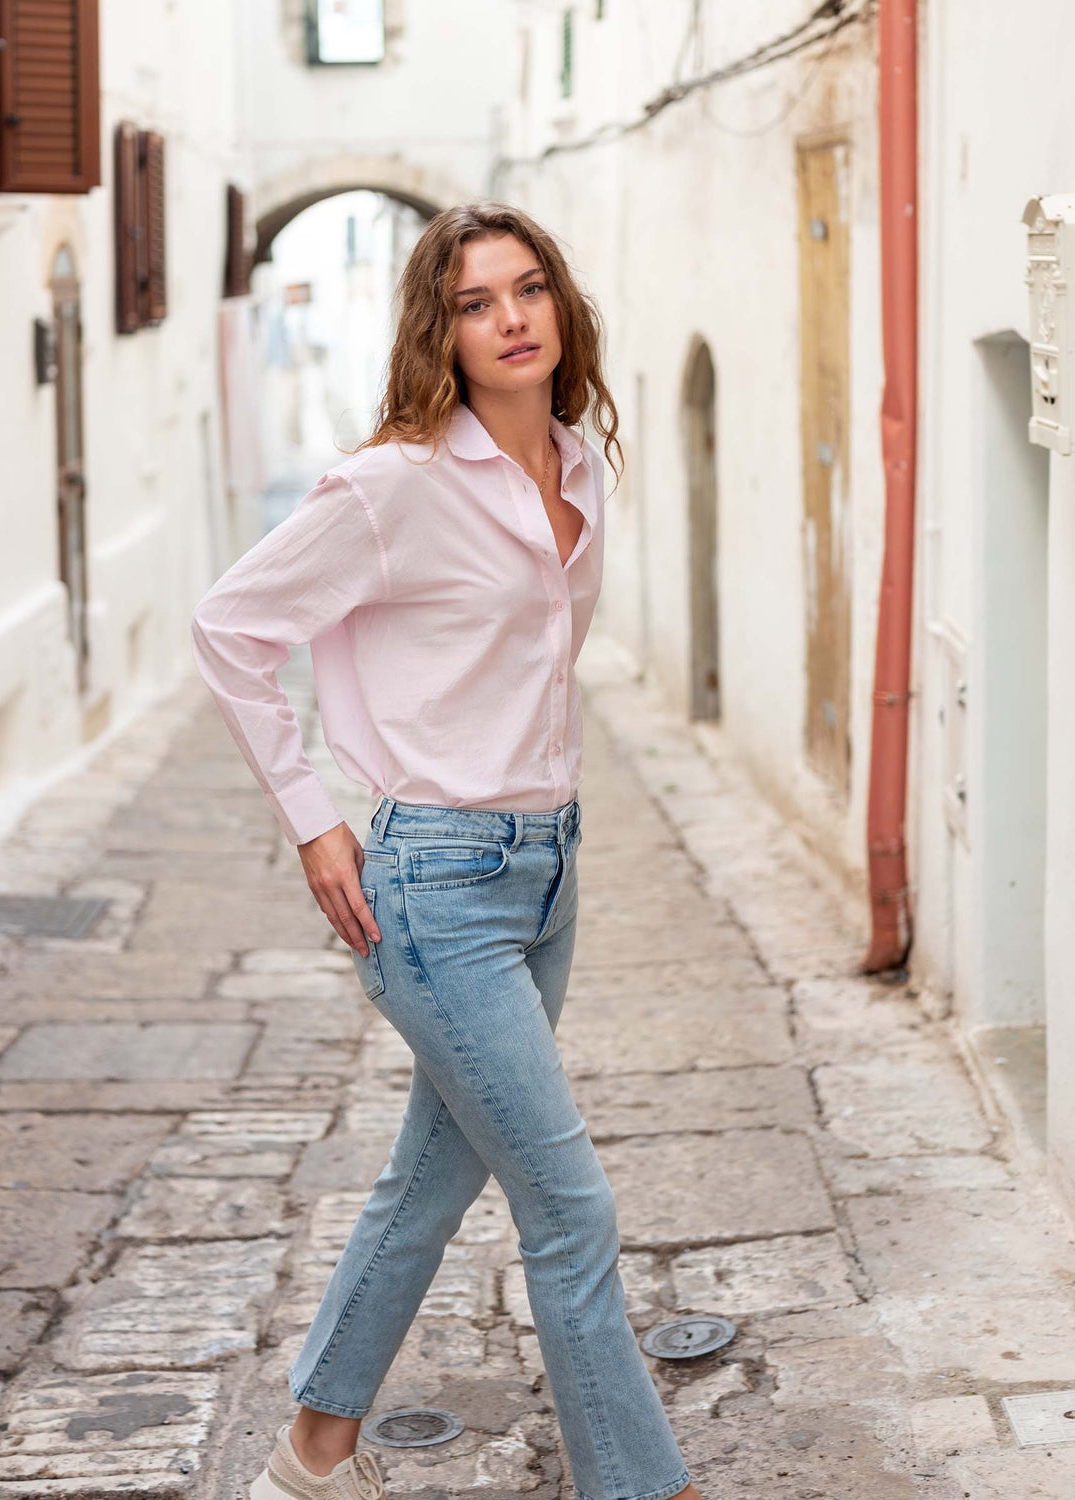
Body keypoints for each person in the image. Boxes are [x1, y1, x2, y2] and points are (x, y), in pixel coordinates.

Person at [190, 201, 703, 1500]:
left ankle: (310, 1454)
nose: (511, 318)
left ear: (560, 306)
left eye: (528, 289)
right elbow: (233, 626)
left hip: (549, 874)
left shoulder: (581, 465)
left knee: (427, 1184)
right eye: (477, 303)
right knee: (570, 1209)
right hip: (435, 890)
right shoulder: (396, 487)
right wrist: (316, 817)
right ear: (445, 331)